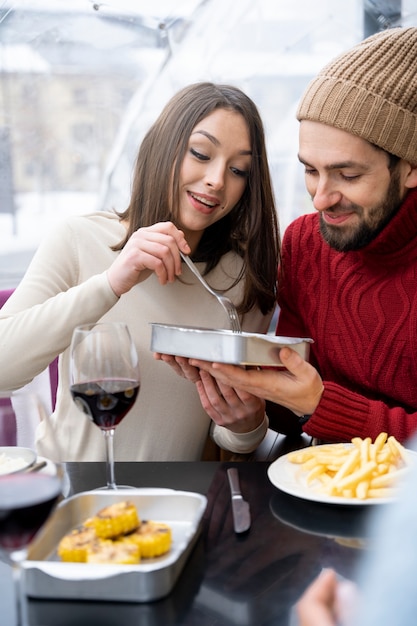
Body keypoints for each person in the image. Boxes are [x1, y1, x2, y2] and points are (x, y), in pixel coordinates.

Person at [0, 82, 280, 462]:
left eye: (238, 169)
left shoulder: (245, 279)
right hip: (74, 493)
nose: (217, 179)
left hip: (175, 504)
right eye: (200, 153)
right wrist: (113, 282)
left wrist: (247, 425)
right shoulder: (80, 238)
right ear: (163, 148)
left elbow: (229, 438)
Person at [174, 27, 417, 445]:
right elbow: (295, 411)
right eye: (310, 170)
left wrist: (322, 404)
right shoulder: (307, 243)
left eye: (348, 174)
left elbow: (317, 404)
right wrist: (254, 398)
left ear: (410, 168)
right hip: (321, 490)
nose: (321, 199)